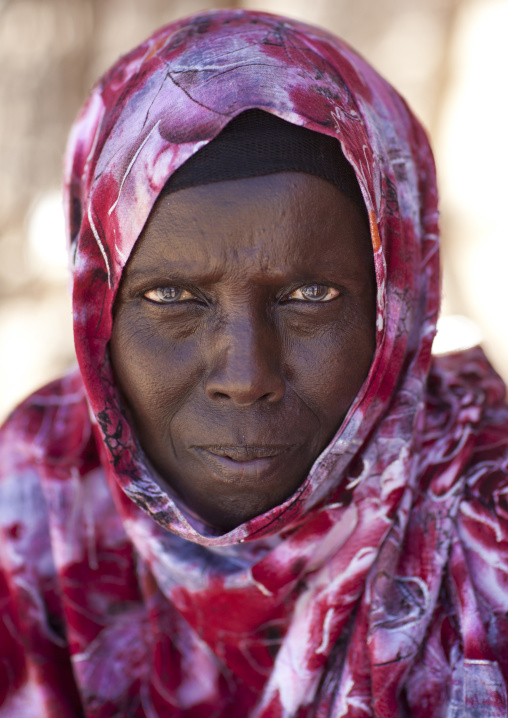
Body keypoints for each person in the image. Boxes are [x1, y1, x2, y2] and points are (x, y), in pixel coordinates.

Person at [1, 8, 507, 717]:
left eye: (310, 296)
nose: (245, 376)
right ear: (98, 312)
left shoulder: (490, 522)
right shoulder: (36, 494)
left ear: (398, 310)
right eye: (171, 296)